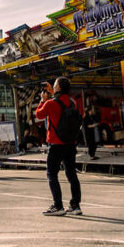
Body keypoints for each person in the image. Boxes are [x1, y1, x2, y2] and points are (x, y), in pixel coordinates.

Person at [34, 76, 82, 216]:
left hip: (56, 144)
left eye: (55, 85)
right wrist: (51, 94)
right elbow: (61, 101)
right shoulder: (72, 103)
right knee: (72, 175)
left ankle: (58, 205)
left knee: (52, 174)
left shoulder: (50, 103)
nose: (53, 87)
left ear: (59, 87)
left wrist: (43, 100)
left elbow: (39, 114)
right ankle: (75, 205)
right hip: (70, 144)